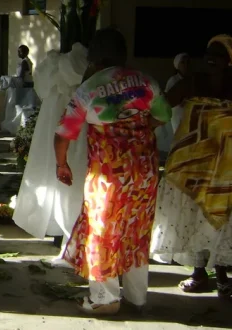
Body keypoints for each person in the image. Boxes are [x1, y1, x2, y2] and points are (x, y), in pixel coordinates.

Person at [55, 28, 171, 315]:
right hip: (144, 171)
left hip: (109, 175)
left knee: (102, 230)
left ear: (94, 57)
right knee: (136, 229)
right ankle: (136, 296)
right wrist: (138, 129)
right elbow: (164, 116)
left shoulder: (88, 90)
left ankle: (105, 298)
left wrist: (62, 163)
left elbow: (64, 134)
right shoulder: (146, 81)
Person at [150, 35, 232, 298]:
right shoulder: (192, 83)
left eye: (219, 54)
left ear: (230, 60)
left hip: (226, 166)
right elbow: (161, 108)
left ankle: (221, 275)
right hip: (192, 164)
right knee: (194, 215)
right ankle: (199, 273)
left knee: (221, 216)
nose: (212, 59)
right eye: (209, 53)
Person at [12, 43, 88, 266]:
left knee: (75, 177)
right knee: (63, 178)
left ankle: (75, 238)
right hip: (64, 120)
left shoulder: (71, 68)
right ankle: (69, 236)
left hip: (74, 122)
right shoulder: (57, 66)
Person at [155, 53, 190, 157]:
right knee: (179, 139)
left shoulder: (189, 80)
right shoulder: (173, 80)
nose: (186, 65)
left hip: (187, 114)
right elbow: (168, 99)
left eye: (188, 62)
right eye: (183, 62)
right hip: (177, 114)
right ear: (177, 65)